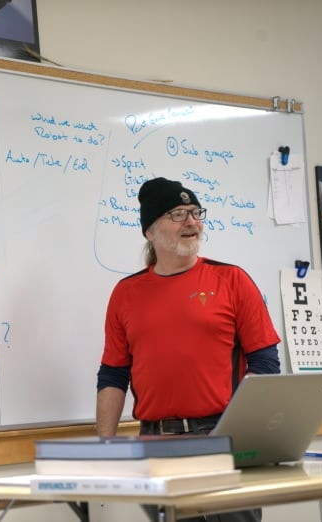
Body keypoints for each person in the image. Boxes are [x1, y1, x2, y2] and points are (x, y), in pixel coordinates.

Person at [96, 177, 281, 522]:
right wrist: (105, 446)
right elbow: (113, 373)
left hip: (222, 438)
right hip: (154, 444)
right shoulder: (125, 293)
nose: (192, 222)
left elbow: (266, 362)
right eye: (178, 214)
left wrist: (237, 429)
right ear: (150, 231)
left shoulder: (232, 280)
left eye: (196, 212)